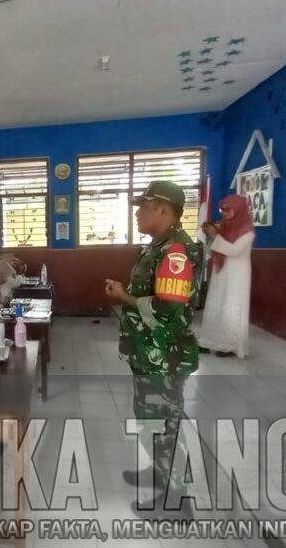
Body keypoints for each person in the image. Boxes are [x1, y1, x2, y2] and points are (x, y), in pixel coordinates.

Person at [103, 180, 202, 518]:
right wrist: (126, 293)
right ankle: (160, 473)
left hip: (164, 355)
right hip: (149, 352)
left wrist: (124, 298)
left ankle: (177, 503)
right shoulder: (158, 246)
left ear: (163, 210)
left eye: (143, 207)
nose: (137, 214)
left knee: (163, 424)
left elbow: (169, 310)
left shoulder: (176, 252)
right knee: (150, 420)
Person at [197, 194, 255, 358]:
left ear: (239, 210)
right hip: (221, 271)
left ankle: (229, 345)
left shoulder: (248, 231)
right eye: (223, 210)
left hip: (237, 274)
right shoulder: (224, 227)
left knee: (231, 307)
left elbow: (234, 250)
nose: (225, 213)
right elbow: (213, 249)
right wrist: (209, 234)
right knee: (216, 305)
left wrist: (216, 236)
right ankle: (208, 341)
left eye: (229, 210)